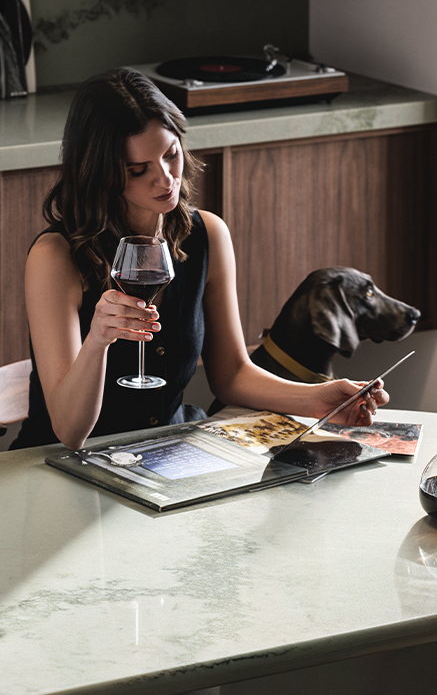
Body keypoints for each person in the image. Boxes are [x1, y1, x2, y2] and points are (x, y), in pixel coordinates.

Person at [10, 68, 389, 451]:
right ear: (101, 173)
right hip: (58, 464)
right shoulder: (55, 257)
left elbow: (232, 375)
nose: (165, 179)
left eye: (171, 154)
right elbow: (70, 432)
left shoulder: (207, 234)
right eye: (138, 170)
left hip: (164, 455)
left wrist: (319, 400)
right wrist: (97, 342)